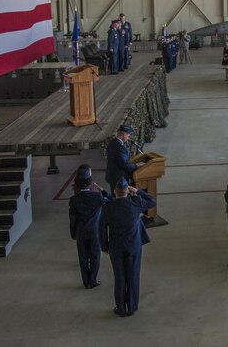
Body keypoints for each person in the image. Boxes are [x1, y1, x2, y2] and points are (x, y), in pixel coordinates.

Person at [99, 178, 156, 317]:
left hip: (116, 247)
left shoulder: (107, 208)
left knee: (119, 277)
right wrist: (137, 191)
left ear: (114, 191)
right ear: (127, 191)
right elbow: (152, 201)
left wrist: (105, 246)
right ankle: (132, 307)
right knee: (133, 276)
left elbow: (101, 229)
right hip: (133, 246)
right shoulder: (135, 203)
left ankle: (121, 308)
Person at [69, 164, 112, 289]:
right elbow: (111, 200)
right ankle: (92, 280)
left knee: (83, 257)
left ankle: (85, 280)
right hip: (94, 232)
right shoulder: (97, 197)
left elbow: (72, 219)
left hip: (80, 232)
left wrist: (73, 234)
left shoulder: (74, 200)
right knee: (94, 256)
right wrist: (102, 190)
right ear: (90, 182)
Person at [105, 125, 140, 191]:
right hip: (119, 178)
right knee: (120, 197)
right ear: (124, 135)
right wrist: (136, 166)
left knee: (115, 197)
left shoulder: (112, 143)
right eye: (128, 135)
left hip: (113, 176)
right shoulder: (120, 147)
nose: (128, 137)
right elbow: (124, 165)